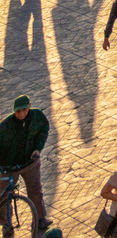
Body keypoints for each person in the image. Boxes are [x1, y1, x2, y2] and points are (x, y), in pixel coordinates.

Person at [0, 95, 49, 232]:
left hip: (30, 163)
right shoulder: (5, 126)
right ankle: (6, 225)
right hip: (9, 166)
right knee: (4, 196)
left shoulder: (37, 116)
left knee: (35, 191)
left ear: (29, 106)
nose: (21, 114)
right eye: (18, 111)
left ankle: (39, 219)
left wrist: (38, 149)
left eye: (24, 110)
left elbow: (44, 130)